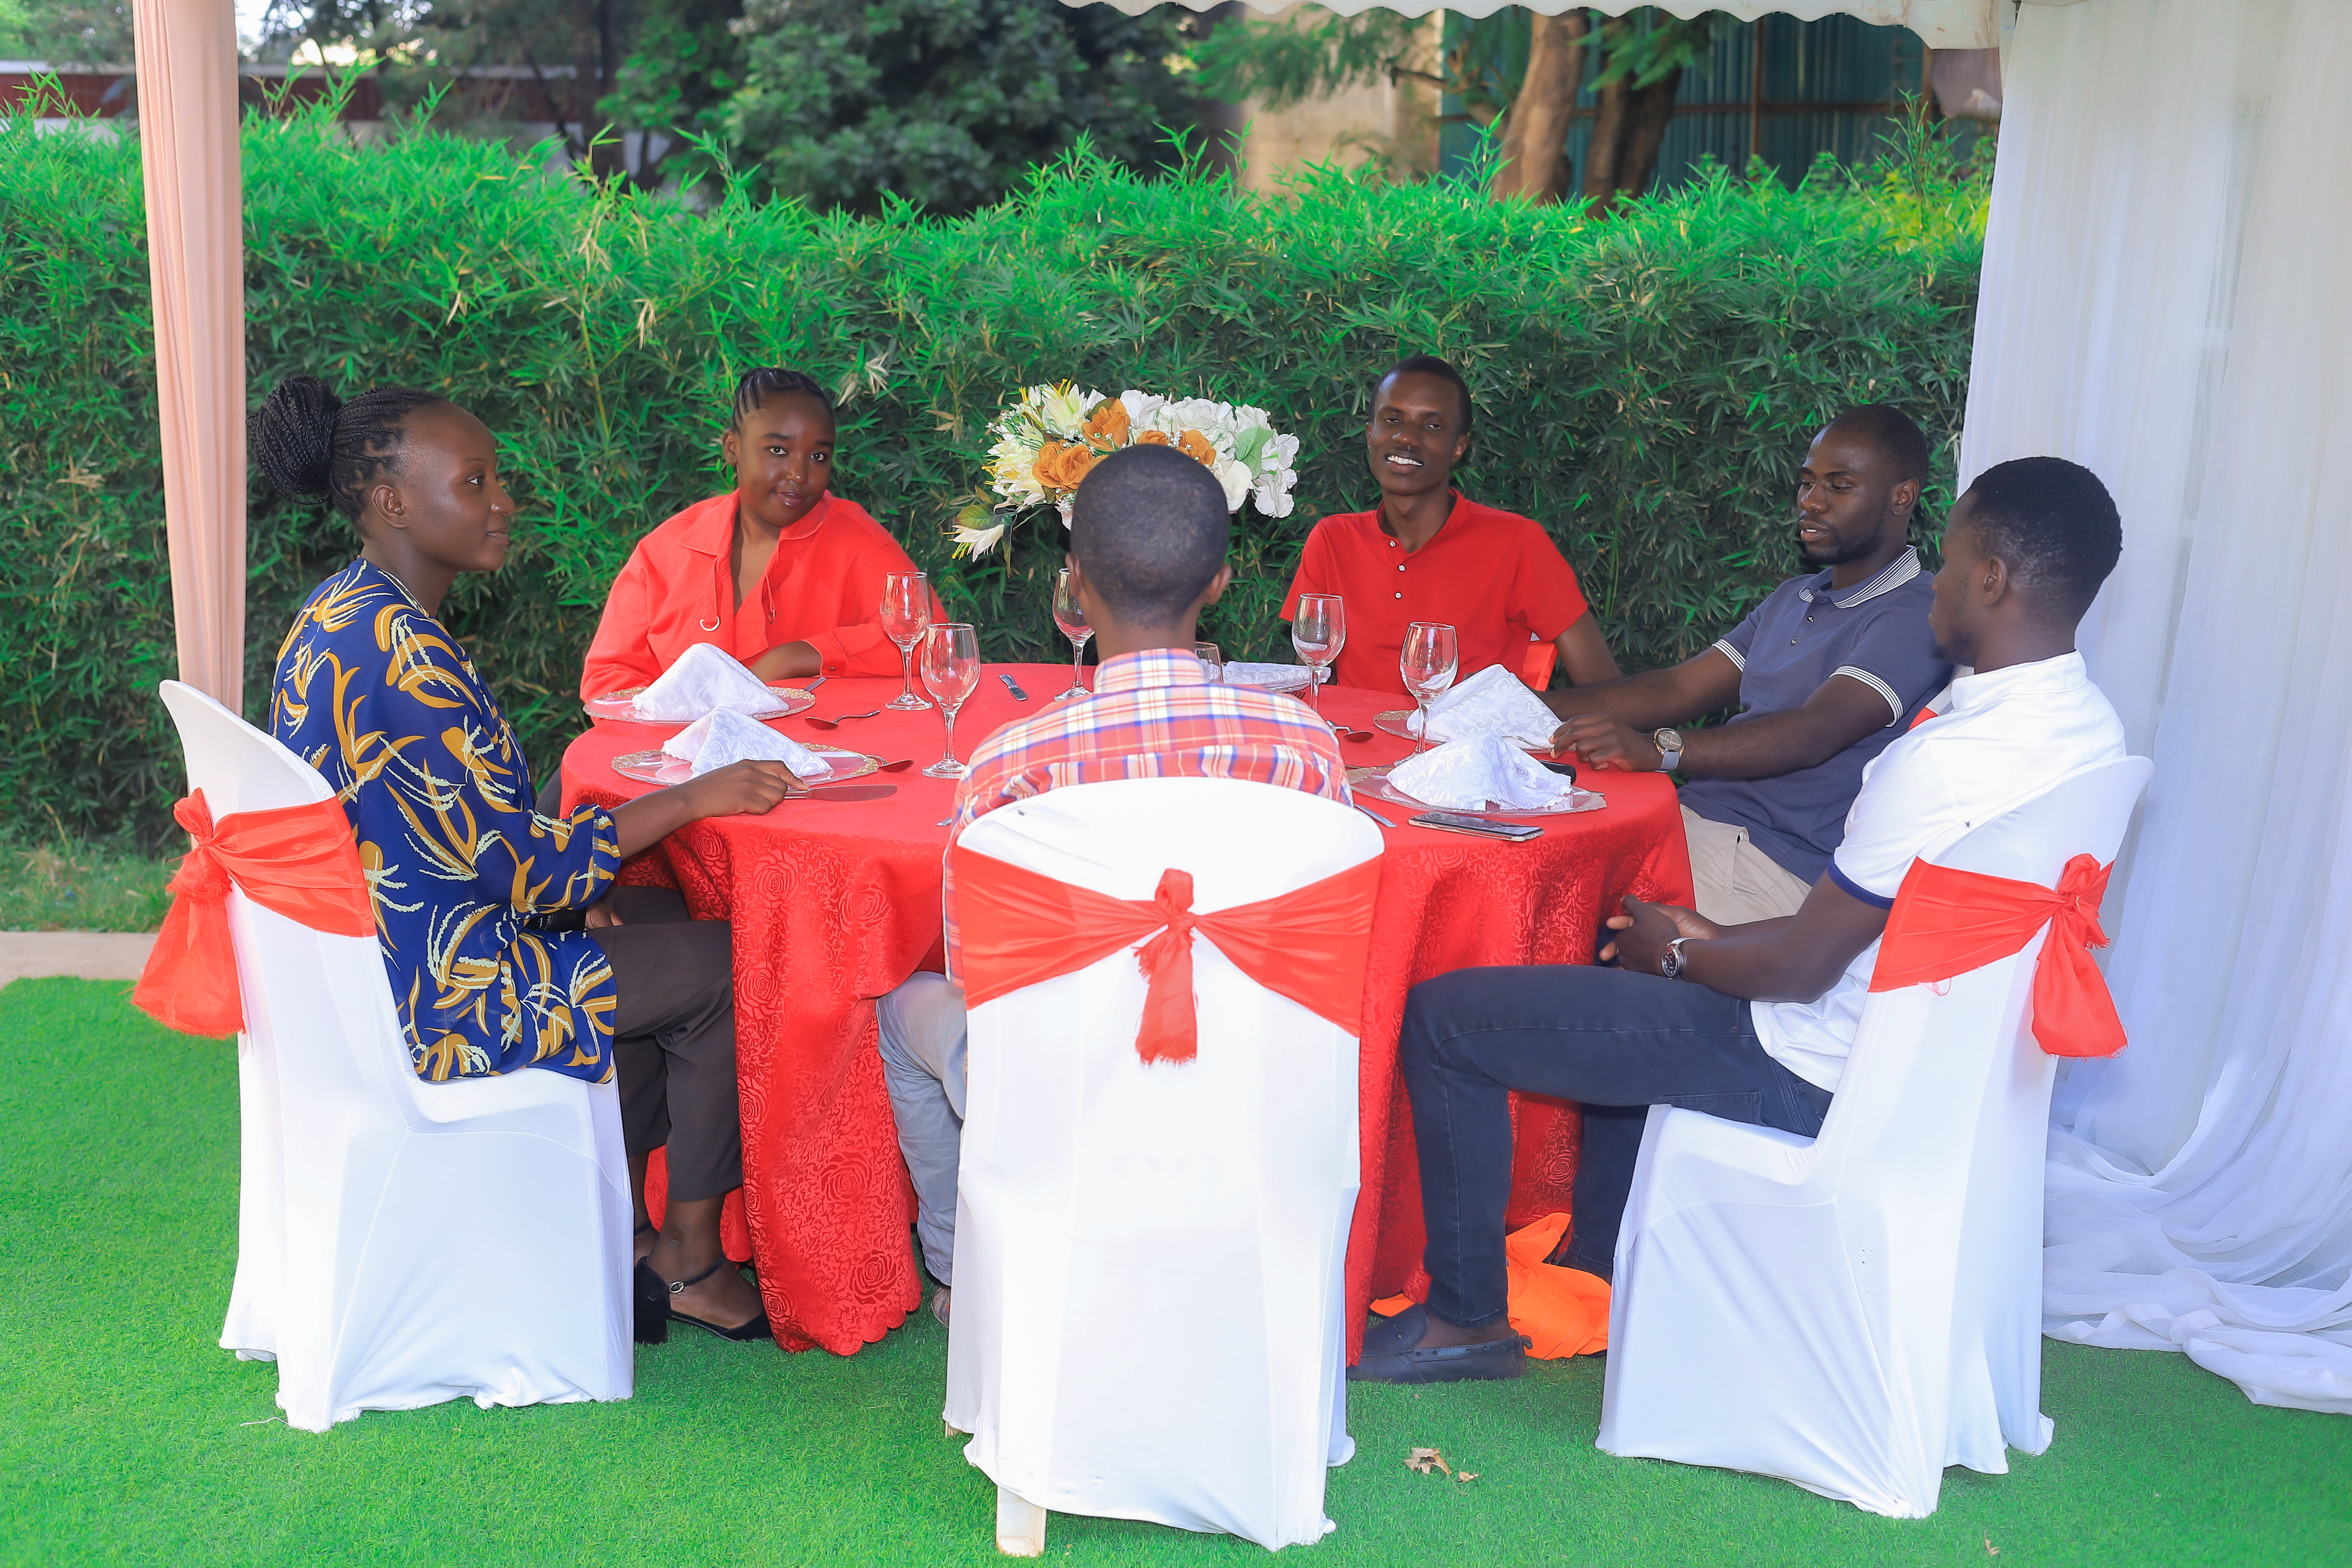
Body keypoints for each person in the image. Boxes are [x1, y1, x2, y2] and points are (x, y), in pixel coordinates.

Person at [1351, 455, 2127, 1384]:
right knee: (1626, 970)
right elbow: (1853, 942)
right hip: (1897, 1060)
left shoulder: (1943, 763)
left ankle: (1461, 1318)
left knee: (1447, 1021)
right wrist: (1703, 940)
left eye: (1951, 566)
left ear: (1992, 580)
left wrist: (1675, 951)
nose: (1936, 588)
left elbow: (1799, 970)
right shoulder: (2090, 733)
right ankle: (1598, 1255)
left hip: (1804, 1067)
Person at [255, 374, 797, 1343]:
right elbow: (520, 871)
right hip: (440, 991)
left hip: (384, 954)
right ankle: (687, 1261)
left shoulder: (344, 612)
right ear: (393, 503)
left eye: (497, 478)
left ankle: (609, 1226)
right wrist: (695, 797)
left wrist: (572, 893)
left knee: (656, 924)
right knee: (725, 964)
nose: (503, 501)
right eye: (475, 483)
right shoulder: (399, 656)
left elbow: (454, 835)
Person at [879, 443, 1351, 1328]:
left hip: (1060, 1092)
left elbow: (985, 979)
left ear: (1075, 583)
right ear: (1217, 582)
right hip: (1255, 1084)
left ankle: (962, 1275)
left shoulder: (1010, 765)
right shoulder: (1304, 749)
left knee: (903, 1007)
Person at [1548, 406, 1952, 925]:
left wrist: (1658, 750)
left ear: (1902, 497)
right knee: (1522, 874)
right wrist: (1520, 707)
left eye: (1840, 486)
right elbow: (1677, 689)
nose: (1811, 502)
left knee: (1563, 921)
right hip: (1690, 824)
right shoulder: (1797, 595)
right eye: (1807, 483)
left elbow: (1813, 733)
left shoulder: (1915, 612)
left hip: (1766, 865)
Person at [1280, 355, 1617, 697]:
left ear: (1459, 447)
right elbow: (1307, 678)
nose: (1407, 438)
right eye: (1393, 419)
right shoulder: (1333, 540)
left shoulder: (1516, 543)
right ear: (1371, 436)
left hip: (1466, 749)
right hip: (1353, 746)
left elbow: (1607, 692)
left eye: (1432, 426)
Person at [579, 367, 926, 696]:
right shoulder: (665, 552)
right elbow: (609, 680)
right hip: (682, 755)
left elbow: (927, 643)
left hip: (813, 757)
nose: (800, 474)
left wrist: (798, 656)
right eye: (778, 450)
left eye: (818, 457)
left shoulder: (858, 543)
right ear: (733, 448)